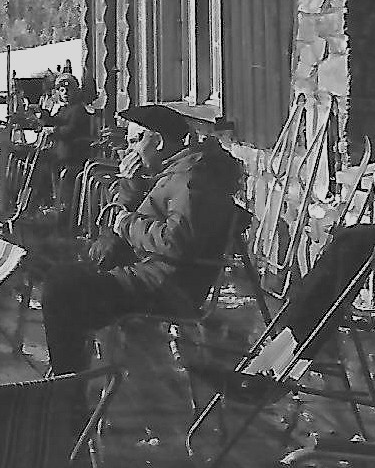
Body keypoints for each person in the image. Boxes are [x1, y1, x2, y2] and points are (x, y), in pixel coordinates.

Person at [42, 104, 241, 412]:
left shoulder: (191, 180)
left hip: (165, 287)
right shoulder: (174, 173)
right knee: (61, 279)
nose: (131, 148)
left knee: (61, 293)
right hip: (150, 274)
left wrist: (126, 224)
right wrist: (131, 183)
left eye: (137, 140)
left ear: (158, 142)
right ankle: (68, 384)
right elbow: (141, 213)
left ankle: (67, 398)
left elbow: (175, 242)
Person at [43, 73, 93, 219]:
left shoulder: (78, 110)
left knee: (53, 165)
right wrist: (44, 116)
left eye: (69, 90)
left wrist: (54, 130)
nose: (65, 94)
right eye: (62, 91)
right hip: (61, 152)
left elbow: (71, 130)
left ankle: (63, 204)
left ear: (76, 91)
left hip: (73, 153)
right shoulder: (64, 109)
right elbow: (56, 120)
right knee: (43, 163)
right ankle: (52, 199)